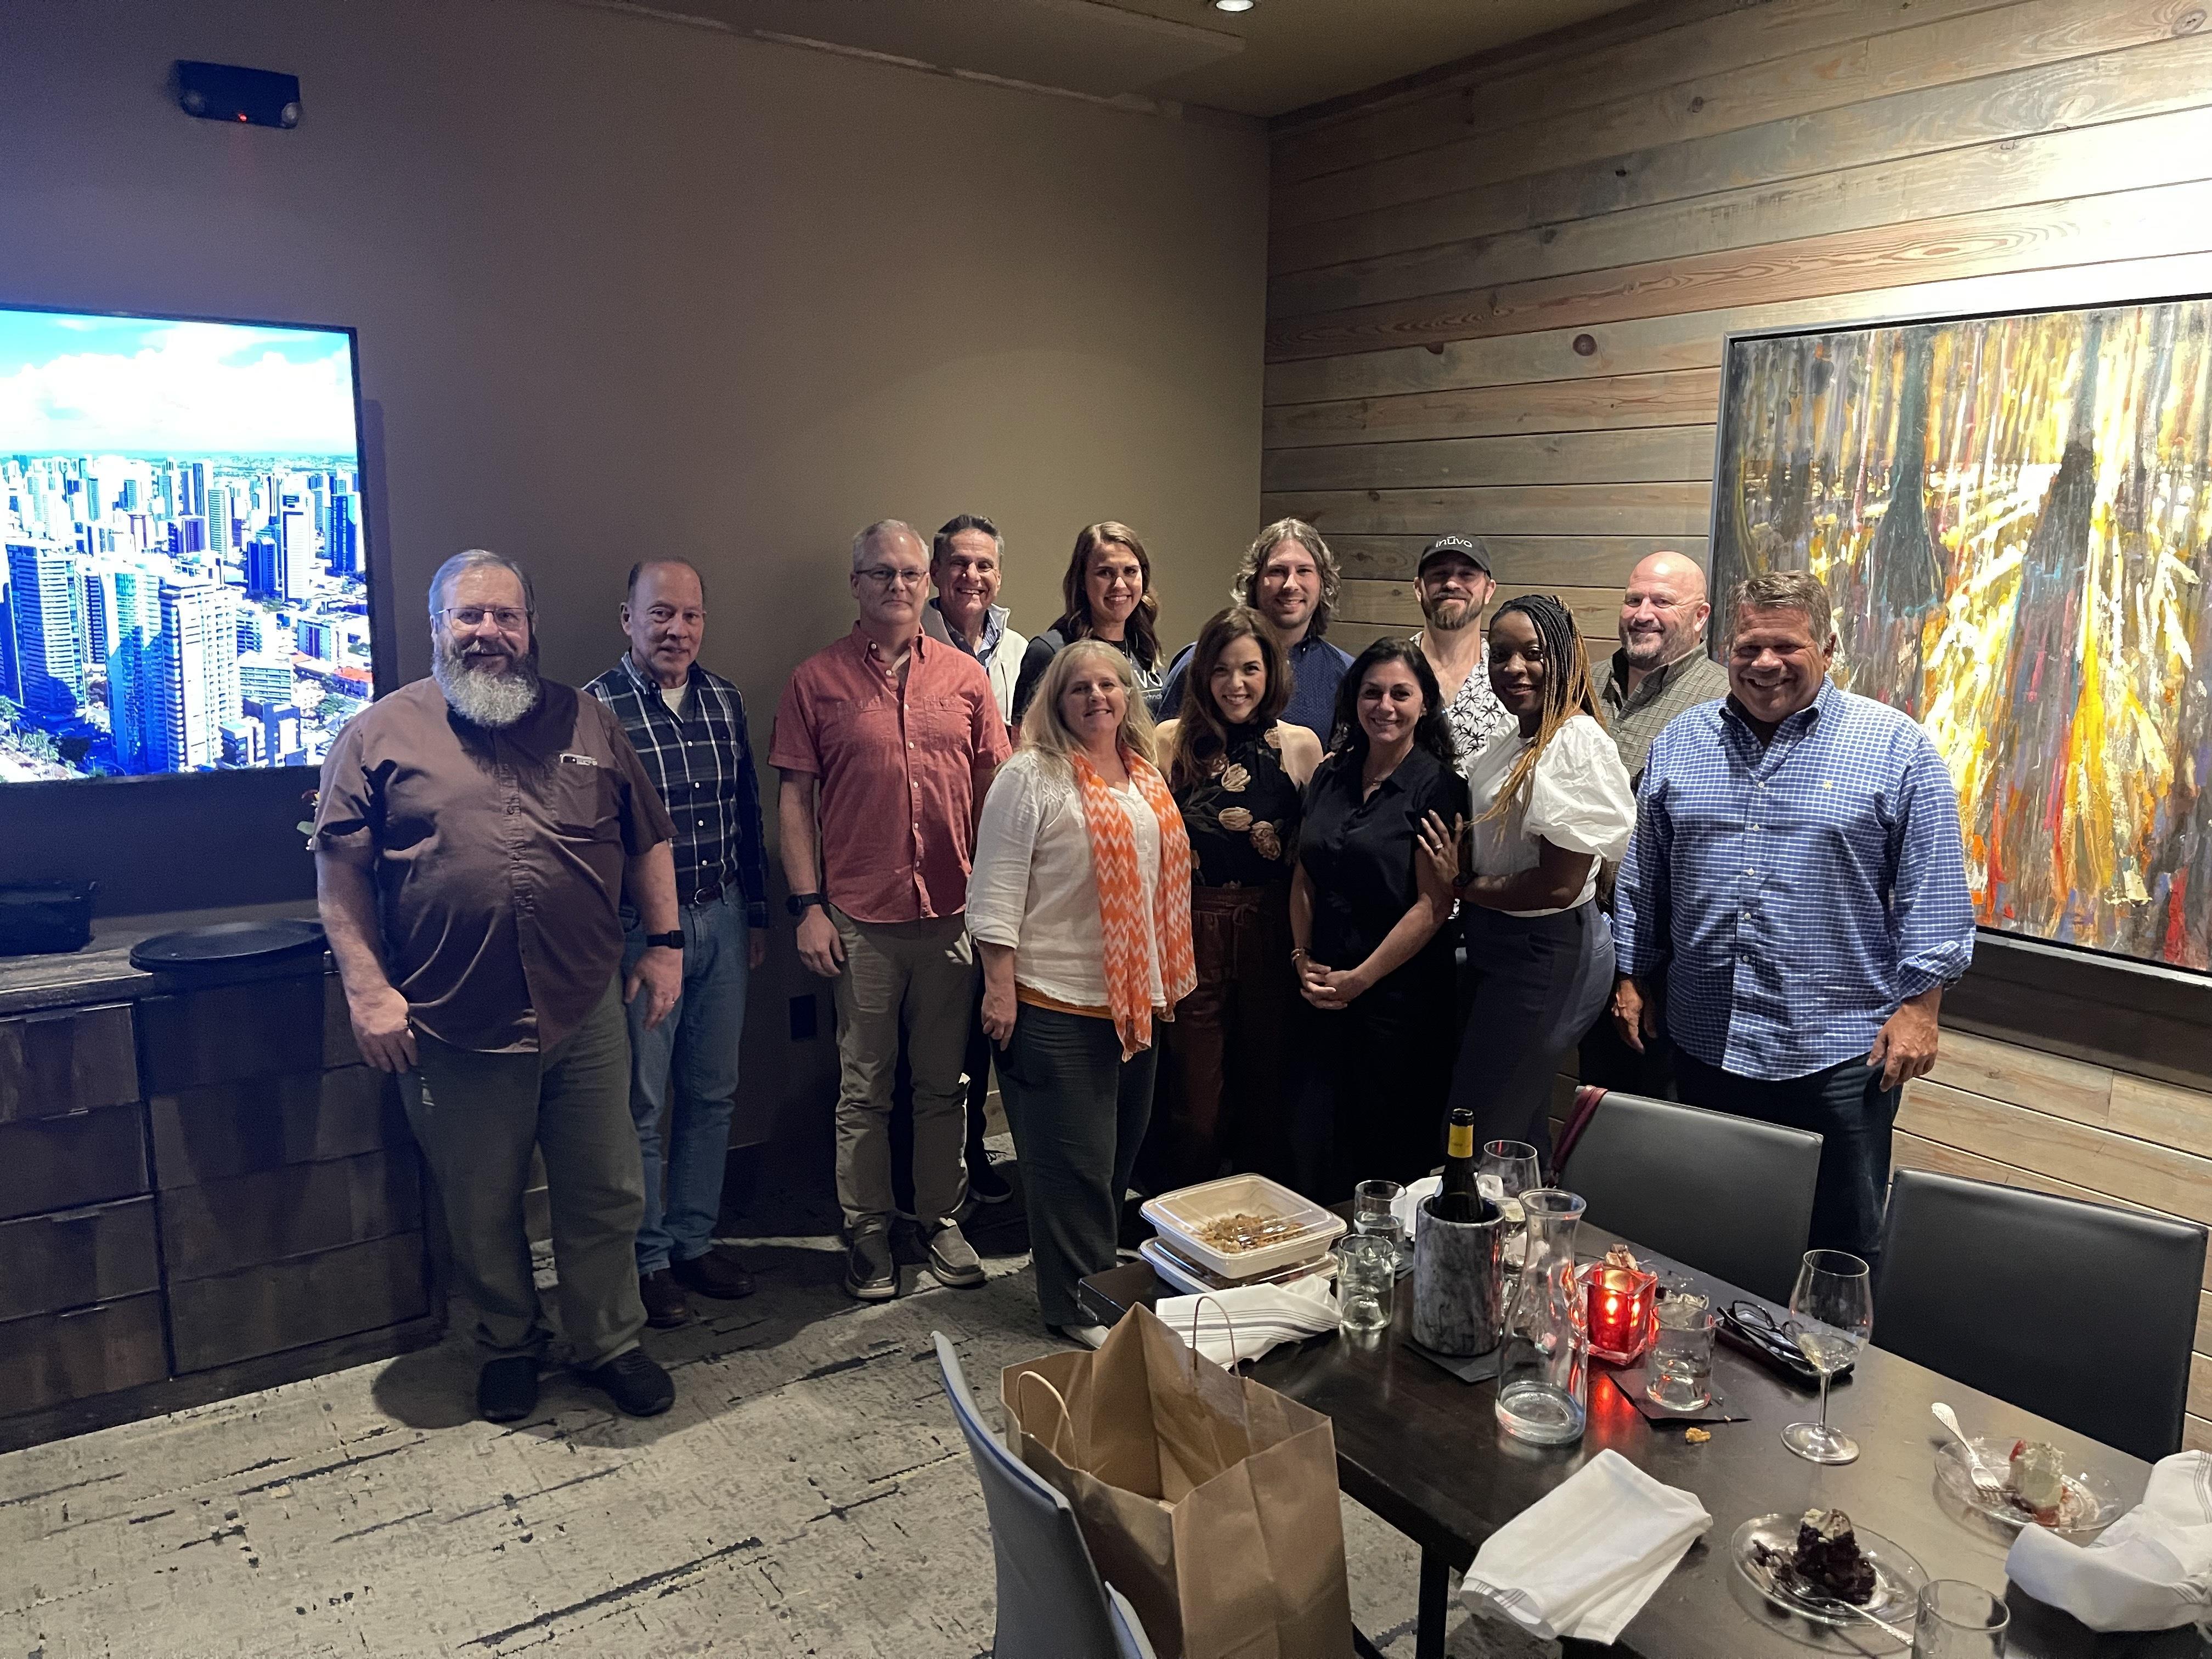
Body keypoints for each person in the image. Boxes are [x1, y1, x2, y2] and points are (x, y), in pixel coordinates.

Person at [315, 549, 679, 1424]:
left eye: (505, 618)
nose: (489, 634)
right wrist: (368, 993)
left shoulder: (587, 722)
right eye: (469, 617)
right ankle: (509, 1343)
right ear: (437, 627)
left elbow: (647, 838)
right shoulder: (375, 736)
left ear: (530, 627)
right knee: (480, 1209)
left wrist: (664, 945)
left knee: (608, 1191)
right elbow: (340, 876)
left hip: (583, 1006)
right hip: (451, 1019)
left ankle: (609, 1341)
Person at [1612, 569, 1976, 1264]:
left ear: (1829, 648)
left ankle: (1832, 1371)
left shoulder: (1895, 748)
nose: (1765, 664)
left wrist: (1921, 1011)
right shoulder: (1683, 742)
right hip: (1705, 1038)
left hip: (1838, 1054)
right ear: (1727, 646)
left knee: (1836, 1250)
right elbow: (1645, 876)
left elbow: (1935, 896)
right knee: (1713, 1229)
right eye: (1748, 647)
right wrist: (1634, 974)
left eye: (1786, 647)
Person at [771, 521, 1011, 1301]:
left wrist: (996, 906)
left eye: (910, 574)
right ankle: (868, 1230)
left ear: (928, 582)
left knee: (945, 1087)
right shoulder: (816, 681)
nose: (897, 587)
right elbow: (794, 802)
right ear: (856, 583)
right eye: (881, 574)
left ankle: (939, 1219)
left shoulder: (966, 681)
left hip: (951, 917)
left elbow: (993, 795)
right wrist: (807, 907)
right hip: (860, 921)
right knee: (864, 1087)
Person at [968, 641, 1195, 1342]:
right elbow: (994, 892)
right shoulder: (1029, 776)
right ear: (1055, 701)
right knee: (1072, 1166)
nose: (1097, 697)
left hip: (1133, 1003)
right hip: (1053, 1000)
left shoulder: (1144, 775)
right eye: (1079, 689)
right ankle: (1075, 1305)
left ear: (1128, 695)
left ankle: (1092, 1268)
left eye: (1109, 685)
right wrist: (999, 989)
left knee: (1114, 1159)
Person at [584, 558, 767, 1330]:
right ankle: (648, 1258)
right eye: (660, 615)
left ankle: (694, 1240)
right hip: (640, 937)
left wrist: (757, 913)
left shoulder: (724, 700)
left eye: (690, 616)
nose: (677, 630)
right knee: (641, 1103)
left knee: (712, 1091)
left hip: (721, 915)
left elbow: (747, 809)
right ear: (628, 619)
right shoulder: (593, 712)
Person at [1429, 595, 1635, 1170]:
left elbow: (1557, 887)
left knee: (1478, 1130)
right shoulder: (1517, 736)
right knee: (1515, 1128)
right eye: (1500, 655)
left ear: (1565, 657)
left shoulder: (1571, 744)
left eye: (1532, 654)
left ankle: (1472, 1247)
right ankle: (1534, 1250)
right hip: (1504, 947)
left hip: (1544, 954)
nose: (1513, 668)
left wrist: (1462, 885)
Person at [1139, 606, 1324, 1193]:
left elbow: (1309, 861)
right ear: (1201, 674)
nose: (1236, 684)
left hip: (1271, 927)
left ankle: (1264, 1224)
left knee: (1267, 1085)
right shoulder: (1169, 741)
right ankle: (1186, 1221)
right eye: (1221, 669)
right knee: (1195, 1094)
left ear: (1272, 672)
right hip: (1190, 925)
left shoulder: (1300, 746)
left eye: (1250, 668)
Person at [1290, 639, 1468, 1196]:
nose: (1384, 706)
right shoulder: (1329, 775)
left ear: (1423, 704)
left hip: (1399, 1000)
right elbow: (1304, 872)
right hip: (1319, 990)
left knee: (1386, 1154)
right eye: (1372, 692)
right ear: (1353, 699)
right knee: (1314, 1145)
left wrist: (1360, 979)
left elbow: (1434, 904)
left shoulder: (1440, 786)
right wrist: (1301, 958)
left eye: (1400, 693)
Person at [1576, 550, 1731, 1097]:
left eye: (1663, 602)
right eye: (1634, 598)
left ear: (1699, 616)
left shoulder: (1723, 700)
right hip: (1575, 939)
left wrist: (1637, 970)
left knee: (1654, 1115)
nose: (1642, 613)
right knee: (1594, 1101)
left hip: (1663, 961)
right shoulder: (1584, 687)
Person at [913, 512, 1026, 1206]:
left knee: (989, 1016)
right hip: (937, 858)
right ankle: (928, 1169)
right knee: (932, 1032)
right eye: (958, 563)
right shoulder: (912, 642)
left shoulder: (1020, 650)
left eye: (984, 564)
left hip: (1005, 856)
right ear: (935, 572)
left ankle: (976, 1150)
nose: (972, 576)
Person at [1154, 519, 1355, 740]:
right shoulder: (1200, 661)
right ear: (1254, 581)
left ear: (1323, 584)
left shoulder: (1345, 673)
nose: (1291, 585)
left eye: (1304, 571)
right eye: (1278, 571)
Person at [1009, 522, 1164, 720]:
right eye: (1105, 573)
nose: (1119, 584)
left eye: (1130, 571)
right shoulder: (1051, 652)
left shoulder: (1144, 647)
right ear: (1082, 580)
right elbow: (1024, 740)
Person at [1410, 534, 1515, 763]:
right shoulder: (1389, 671)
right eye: (1439, 574)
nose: (1451, 584)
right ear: (1419, 589)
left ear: (1489, 590)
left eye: (1466, 574)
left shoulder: (1512, 677)